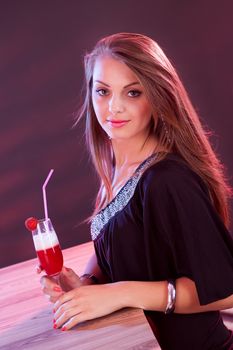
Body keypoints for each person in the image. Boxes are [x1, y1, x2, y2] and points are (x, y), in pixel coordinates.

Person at [39, 33, 233, 349]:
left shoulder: (167, 181)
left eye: (132, 92)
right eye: (102, 91)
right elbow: (121, 238)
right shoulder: (122, 164)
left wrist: (119, 293)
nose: (113, 107)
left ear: (158, 97)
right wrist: (88, 282)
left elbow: (226, 290)